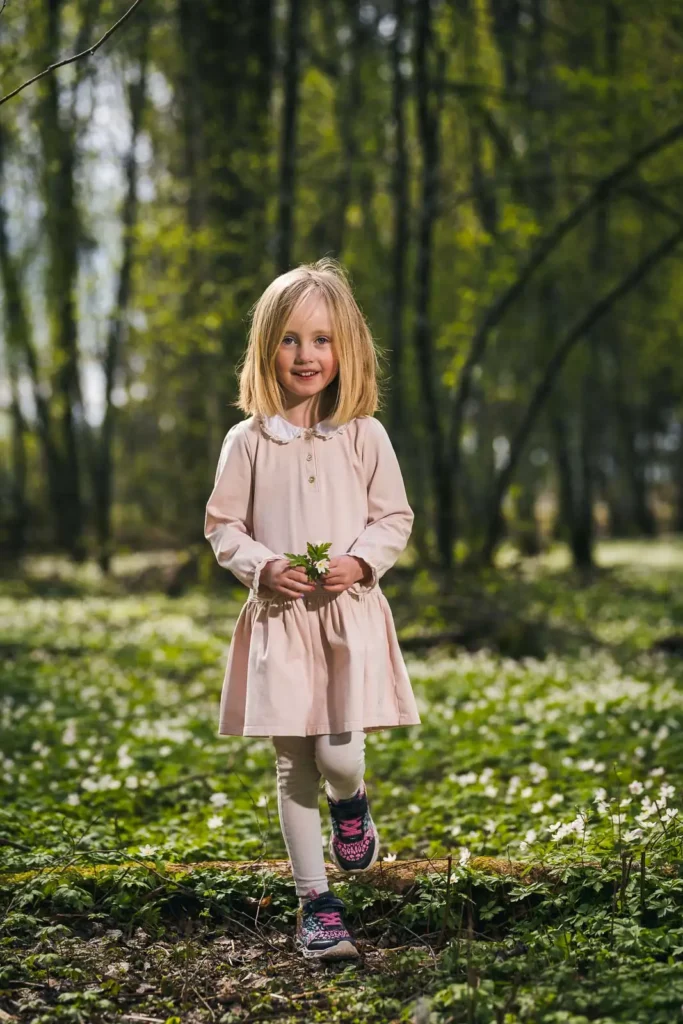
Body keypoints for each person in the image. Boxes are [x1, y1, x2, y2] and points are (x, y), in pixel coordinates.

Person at [204, 257, 421, 960]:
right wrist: (261, 565)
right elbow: (221, 526)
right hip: (279, 620)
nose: (306, 355)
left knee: (339, 753)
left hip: (347, 616)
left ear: (345, 348)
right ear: (267, 346)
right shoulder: (248, 441)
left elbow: (393, 518)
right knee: (292, 764)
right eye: (291, 339)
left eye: (322, 340)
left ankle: (351, 804)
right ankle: (315, 905)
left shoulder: (364, 434)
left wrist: (361, 561)